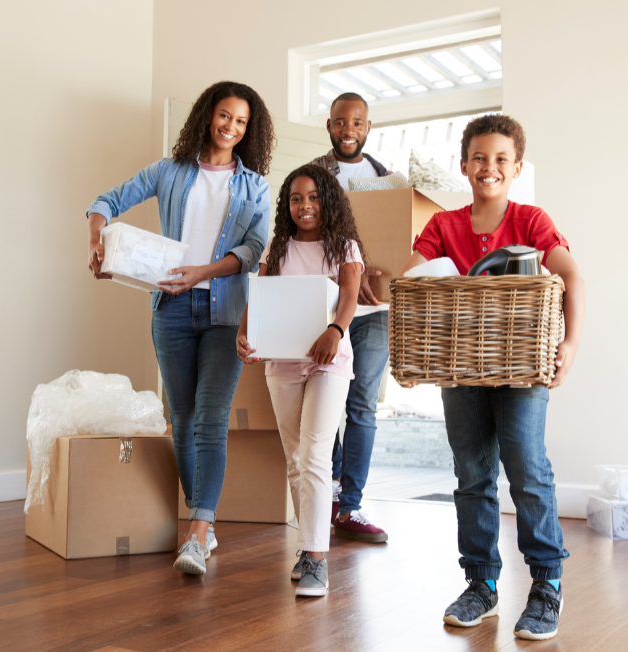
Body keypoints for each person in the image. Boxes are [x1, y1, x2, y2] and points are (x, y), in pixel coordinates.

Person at [401, 114, 585, 641]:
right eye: (479, 158)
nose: (489, 167)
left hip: (522, 367)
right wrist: (412, 351)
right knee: (472, 474)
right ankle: (481, 584)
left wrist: (569, 344)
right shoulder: (443, 227)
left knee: (526, 467)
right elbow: (413, 284)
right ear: (464, 166)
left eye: (501, 158)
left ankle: (547, 584)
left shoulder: (530, 221)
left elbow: (571, 276)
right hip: (460, 372)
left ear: (517, 167)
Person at [86, 81, 274, 576]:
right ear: (206, 116)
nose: (230, 127)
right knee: (183, 419)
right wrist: (98, 242)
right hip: (169, 311)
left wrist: (202, 272)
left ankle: (195, 533)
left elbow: (255, 250)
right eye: (224, 116)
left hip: (225, 312)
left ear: (248, 131)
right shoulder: (169, 172)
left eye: (241, 122)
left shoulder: (255, 186)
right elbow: (106, 201)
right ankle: (204, 524)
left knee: (212, 420)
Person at [236, 164, 364, 597]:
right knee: (296, 458)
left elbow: (348, 294)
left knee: (313, 453)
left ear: (327, 199)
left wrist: (336, 331)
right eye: (295, 198)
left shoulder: (343, 245)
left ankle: (315, 559)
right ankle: (308, 548)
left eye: (312, 197)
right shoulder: (279, 246)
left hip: (329, 359)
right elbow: (263, 292)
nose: (304, 206)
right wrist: (245, 332)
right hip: (283, 361)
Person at [311, 92, 390, 543]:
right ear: (329, 126)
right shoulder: (315, 176)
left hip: (375, 308)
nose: (348, 131)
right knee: (327, 395)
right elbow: (304, 229)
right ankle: (334, 490)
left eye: (356, 123)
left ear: (367, 128)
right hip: (327, 304)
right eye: (340, 123)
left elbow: (399, 238)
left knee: (361, 404)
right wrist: (350, 268)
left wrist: (376, 268)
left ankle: (352, 505)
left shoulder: (389, 181)